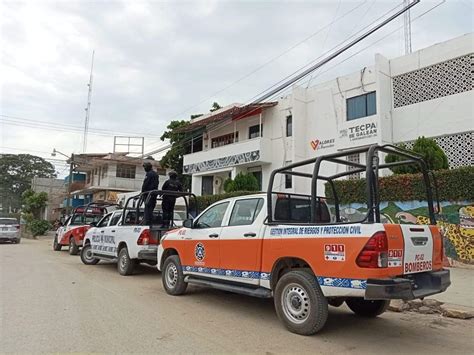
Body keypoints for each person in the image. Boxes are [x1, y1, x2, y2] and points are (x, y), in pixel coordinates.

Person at [142, 160, 159, 225]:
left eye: (145, 167)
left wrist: (142, 192)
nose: (144, 169)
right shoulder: (156, 174)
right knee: (151, 209)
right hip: (154, 194)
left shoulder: (149, 174)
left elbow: (145, 184)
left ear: (147, 167)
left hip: (148, 194)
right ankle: (150, 223)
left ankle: (147, 223)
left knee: (147, 209)